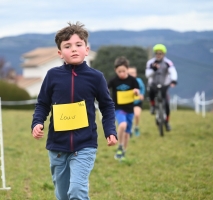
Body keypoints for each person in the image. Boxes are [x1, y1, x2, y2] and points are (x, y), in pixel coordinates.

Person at [31, 22, 117, 200]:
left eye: (79, 45)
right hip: (57, 147)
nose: (74, 49)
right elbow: (42, 104)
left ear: (87, 49)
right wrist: (37, 122)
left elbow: (107, 106)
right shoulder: (52, 76)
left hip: (85, 145)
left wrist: (110, 130)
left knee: (77, 192)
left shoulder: (96, 77)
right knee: (63, 196)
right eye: (67, 46)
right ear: (60, 53)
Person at [108, 56, 139, 161]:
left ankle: (123, 152)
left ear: (127, 69)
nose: (121, 73)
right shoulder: (113, 81)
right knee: (122, 125)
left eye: (123, 71)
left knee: (127, 134)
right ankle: (120, 145)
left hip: (130, 109)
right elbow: (105, 89)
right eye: (119, 71)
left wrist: (136, 92)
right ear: (115, 70)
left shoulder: (133, 80)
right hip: (118, 108)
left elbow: (137, 92)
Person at [145, 44, 178, 131]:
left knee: (166, 103)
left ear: (163, 54)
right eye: (157, 53)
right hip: (153, 83)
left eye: (160, 53)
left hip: (164, 84)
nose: (158, 55)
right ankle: (152, 105)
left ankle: (167, 122)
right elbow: (147, 75)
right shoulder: (150, 63)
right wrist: (153, 70)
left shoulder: (168, 62)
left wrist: (173, 80)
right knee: (151, 92)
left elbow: (173, 71)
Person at [128, 67, 145, 136]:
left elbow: (142, 88)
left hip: (137, 102)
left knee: (137, 114)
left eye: (133, 73)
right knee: (129, 117)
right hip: (128, 102)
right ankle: (130, 129)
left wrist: (142, 94)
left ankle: (136, 127)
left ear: (136, 74)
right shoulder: (126, 82)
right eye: (129, 73)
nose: (131, 74)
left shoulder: (139, 81)